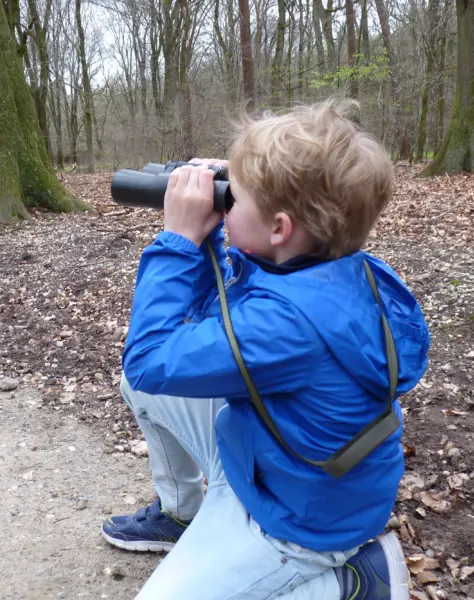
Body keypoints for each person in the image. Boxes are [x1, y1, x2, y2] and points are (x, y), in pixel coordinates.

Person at [101, 100, 430, 600]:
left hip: (298, 521)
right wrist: (216, 228)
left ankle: (354, 581)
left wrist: (177, 240)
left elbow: (149, 357)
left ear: (278, 228)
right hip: (268, 459)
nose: (222, 203)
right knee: (143, 388)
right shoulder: (323, 264)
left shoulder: (288, 327)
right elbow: (220, 320)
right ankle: (179, 515)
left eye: (232, 197)